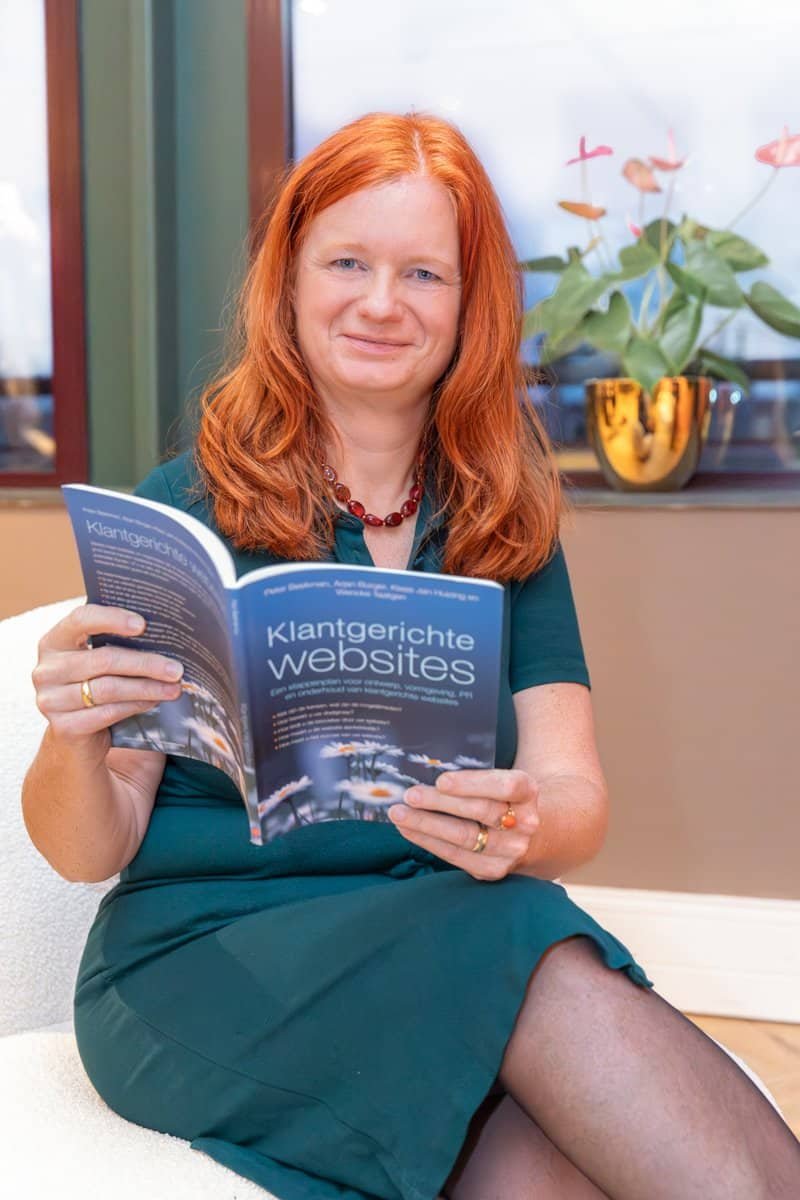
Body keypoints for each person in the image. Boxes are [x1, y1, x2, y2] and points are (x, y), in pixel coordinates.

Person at [22, 111, 799, 1200]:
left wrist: (522, 822)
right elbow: (87, 849)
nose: (382, 303)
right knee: (523, 939)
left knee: (556, 1136)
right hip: (206, 961)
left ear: (469, 306)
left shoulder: (503, 520)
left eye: (424, 273)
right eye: (347, 262)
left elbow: (576, 799)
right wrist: (70, 739)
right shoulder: (184, 511)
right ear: (289, 283)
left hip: (431, 932)